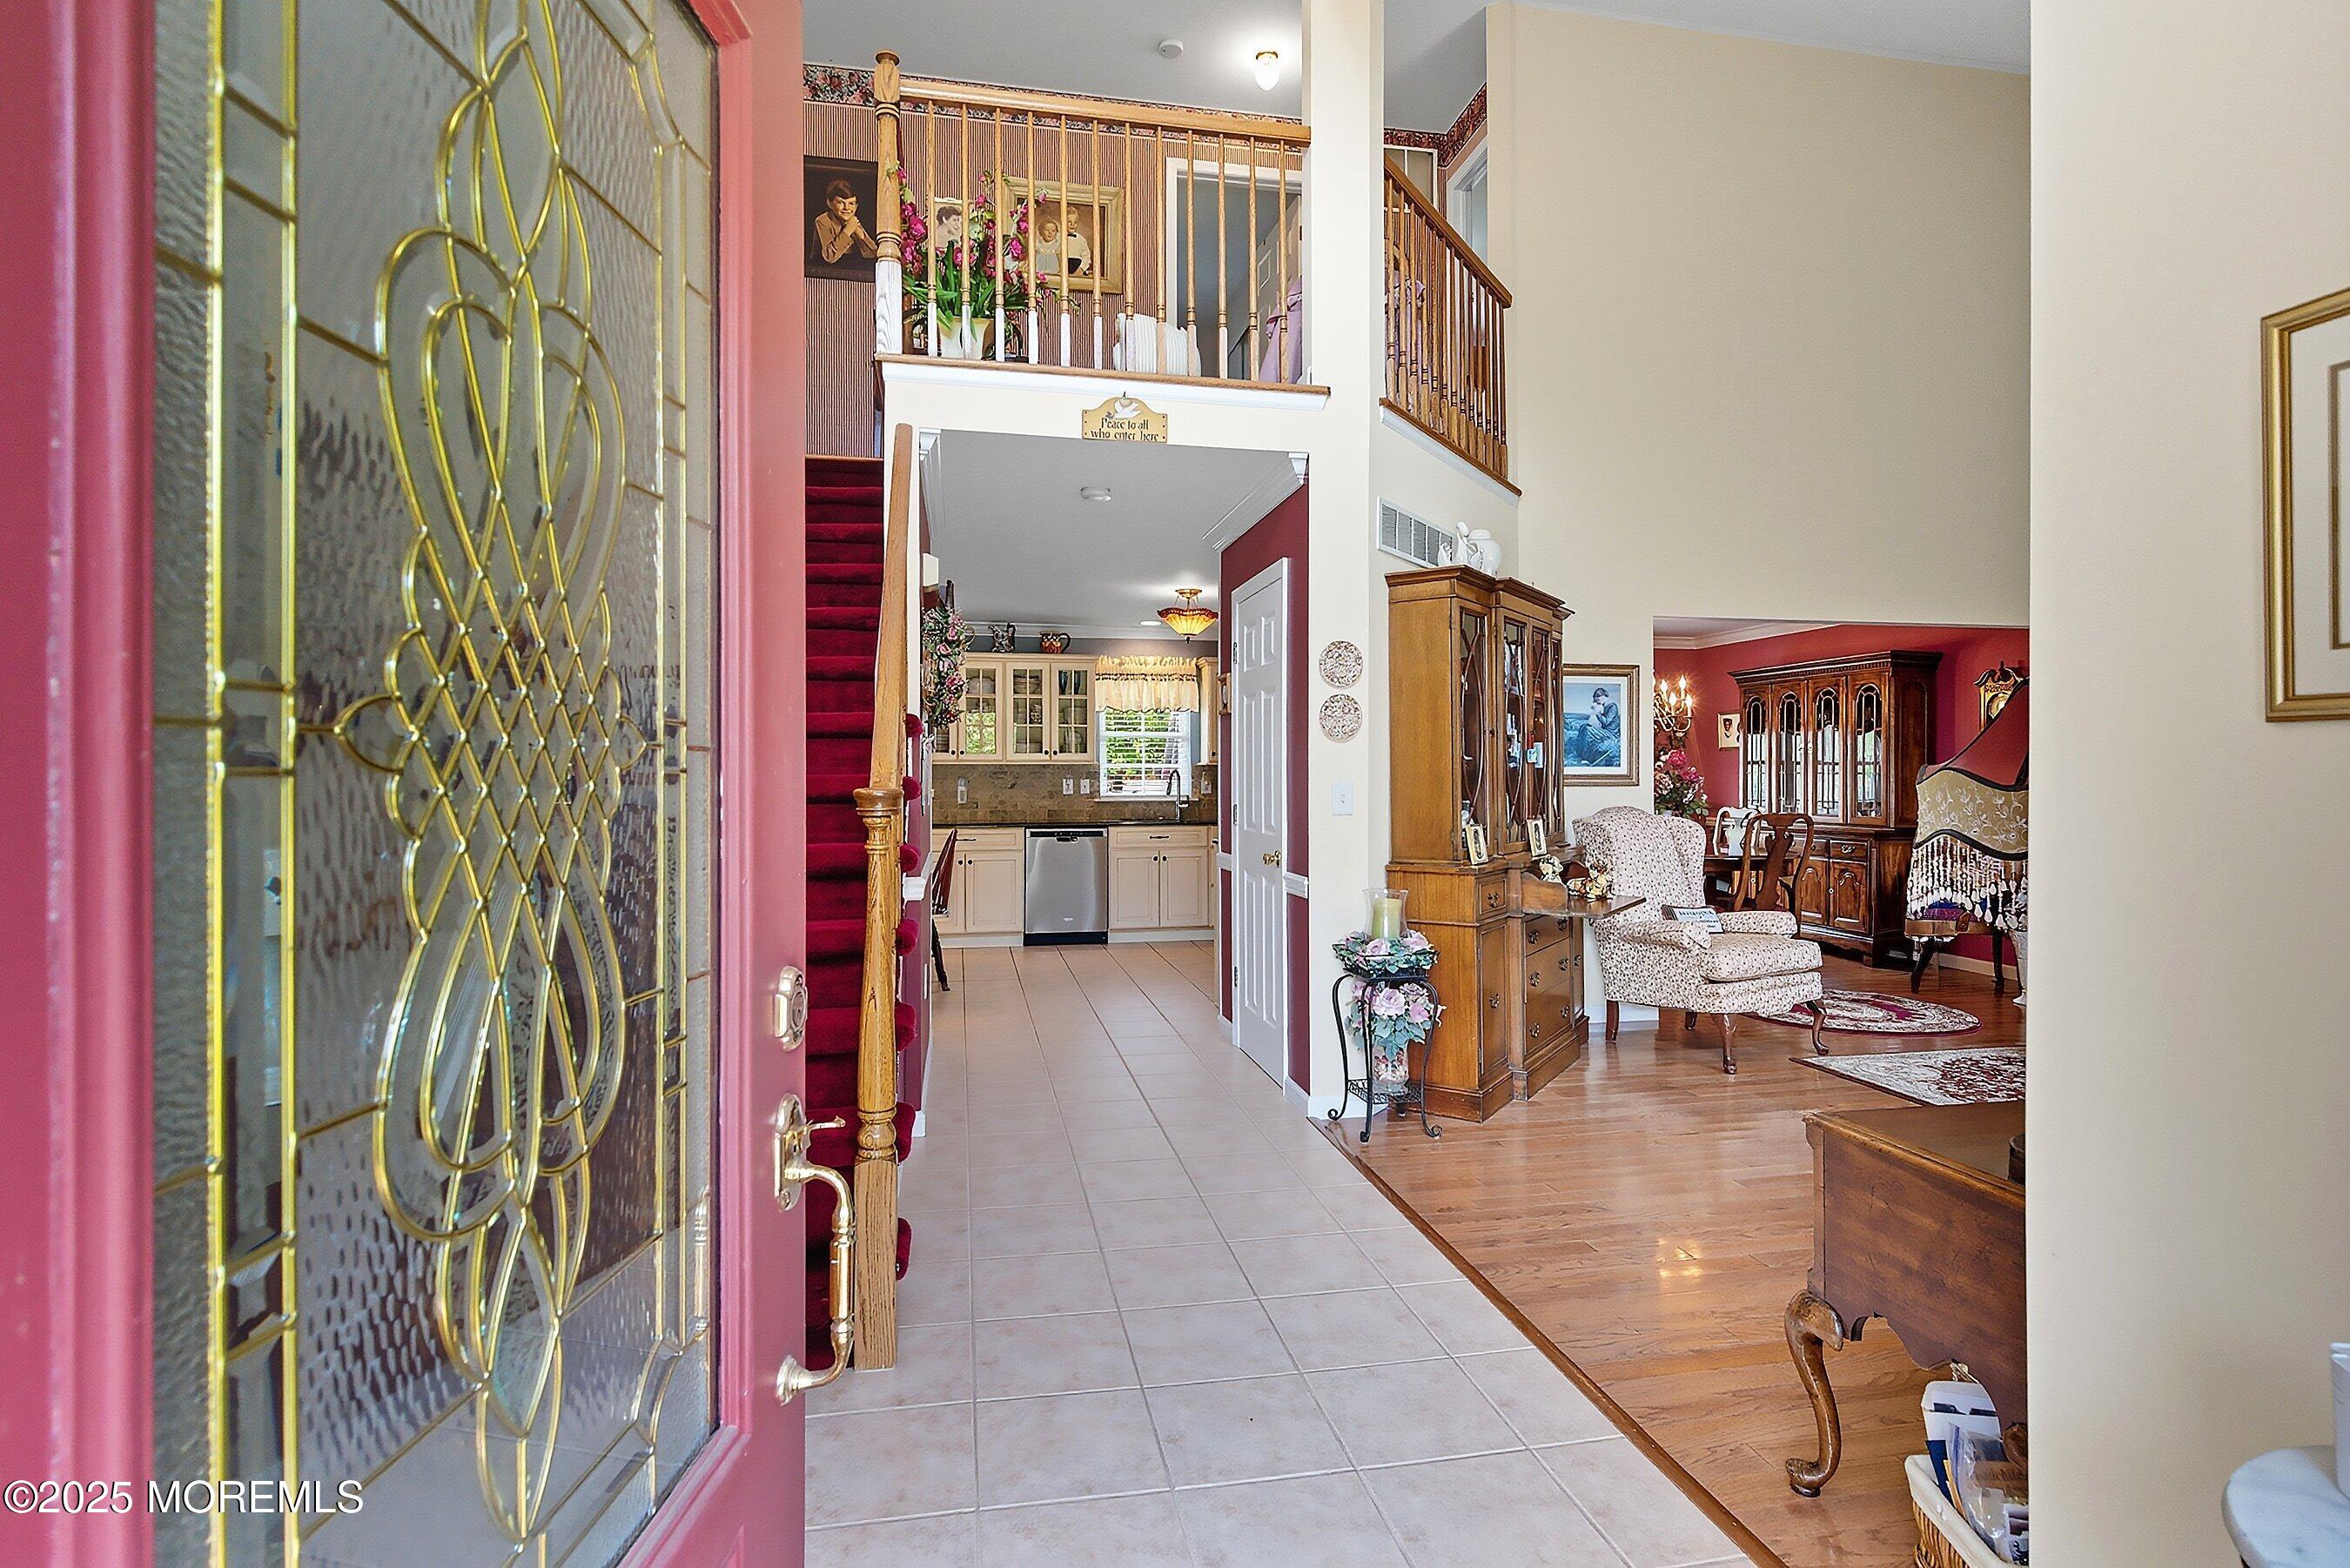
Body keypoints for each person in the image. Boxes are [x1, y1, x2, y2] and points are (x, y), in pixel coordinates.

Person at [811, 178, 876, 265]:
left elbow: (873, 254)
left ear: (856, 206)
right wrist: (847, 231)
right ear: (829, 203)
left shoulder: (852, 221)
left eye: (851, 204)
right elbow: (829, 257)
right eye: (841, 203)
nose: (847, 208)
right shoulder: (822, 221)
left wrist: (862, 237)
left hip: (850, 266)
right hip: (824, 268)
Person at [1036, 207, 1092, 281]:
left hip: (1077, 269)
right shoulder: (1057, 237)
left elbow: (1086, 257)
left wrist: (1081, 270)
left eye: (1075, 222)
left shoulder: (1081, 239)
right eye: (1069, 222)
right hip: (1061, 268)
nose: (1072, 225)